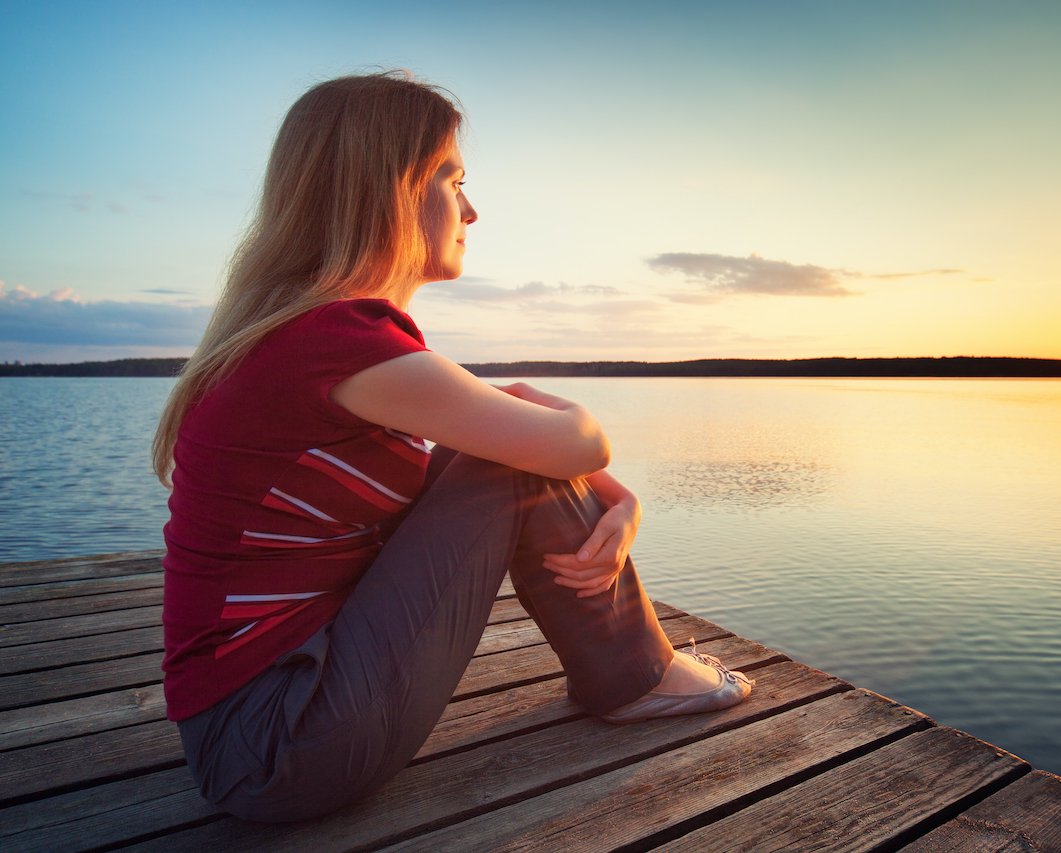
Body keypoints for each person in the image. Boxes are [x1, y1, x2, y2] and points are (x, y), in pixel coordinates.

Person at [151, 72, 751, 823]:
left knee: (495, 457)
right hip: (278, 744)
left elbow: (531, 462)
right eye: (452, 180)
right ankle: (639, 678)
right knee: (505, 462)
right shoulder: (337, 341)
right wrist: (557, 409)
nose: (471, 209)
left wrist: (614, 492)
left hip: (251, 730)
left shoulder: (297, 334)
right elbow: (573, 443)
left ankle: (634, 673)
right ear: (389, 191)